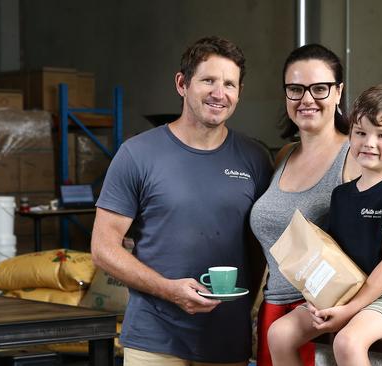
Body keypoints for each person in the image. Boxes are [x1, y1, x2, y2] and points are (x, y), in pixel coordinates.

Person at [91, 36, 272, 366]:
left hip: (226, 337)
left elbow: (259, 243)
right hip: (154, 337)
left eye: (230, 84)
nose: (220, 93)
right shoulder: (137, 154)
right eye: (208, 81)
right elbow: (103, 248)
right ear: (181, 83)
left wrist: (251, 309)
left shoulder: (255, 158)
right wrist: (168, 289)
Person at [267, 84, 382, 366]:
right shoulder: (341, 195)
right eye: (361, 133)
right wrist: (322, 299)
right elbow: (335, 258)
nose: (369, 142)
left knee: (347, 341)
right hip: (348, 291)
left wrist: (351, 308)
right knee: (280, 333)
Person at [249, 43, 358, 366]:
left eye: (319, 88)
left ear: (338, 93)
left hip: (320, 316)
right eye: (296, 89)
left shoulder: (355, 156)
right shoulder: (284, 156)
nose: (307, 99)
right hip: (273, 311)